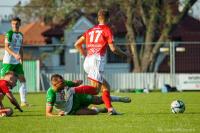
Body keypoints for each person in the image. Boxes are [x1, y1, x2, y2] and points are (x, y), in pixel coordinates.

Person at [74, 9, 129, 114]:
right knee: (95, 90)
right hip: (96, 61)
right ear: (108, 18)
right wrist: (125, 54)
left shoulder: (90, 30)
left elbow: (77, 44)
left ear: (98, 18)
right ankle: (72, 91)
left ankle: (110, 109)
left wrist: (85, 54)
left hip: (88, 61)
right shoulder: (107, 29)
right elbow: (113, 49)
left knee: (106, 86)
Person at [46, 74, 131, 116]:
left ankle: (119, 99)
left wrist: (77, 82)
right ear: (54, 84)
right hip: (70, 111)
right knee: (93, 113)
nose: (64, 84)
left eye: (64, 82)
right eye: (61, 83)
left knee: (99, 100)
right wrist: (58, 115)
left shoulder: (65, 83)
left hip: (77, 98)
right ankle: (98, 110)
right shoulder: (51, 94)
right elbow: (48, 113)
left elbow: (75, 84)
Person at [0, 17, 29, 107]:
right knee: (3, 82)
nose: (15, 25)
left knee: (23, 80)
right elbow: (6, 47)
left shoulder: (21, 34)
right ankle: (1, 103)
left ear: (20, 24)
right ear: (11, 24)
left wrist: (21, 60)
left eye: (16, 23)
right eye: (13, 23)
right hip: (8, 62)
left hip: (17, 62)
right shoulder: (9, 34)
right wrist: (15, 55)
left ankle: (23, 101)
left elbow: (20, 48)